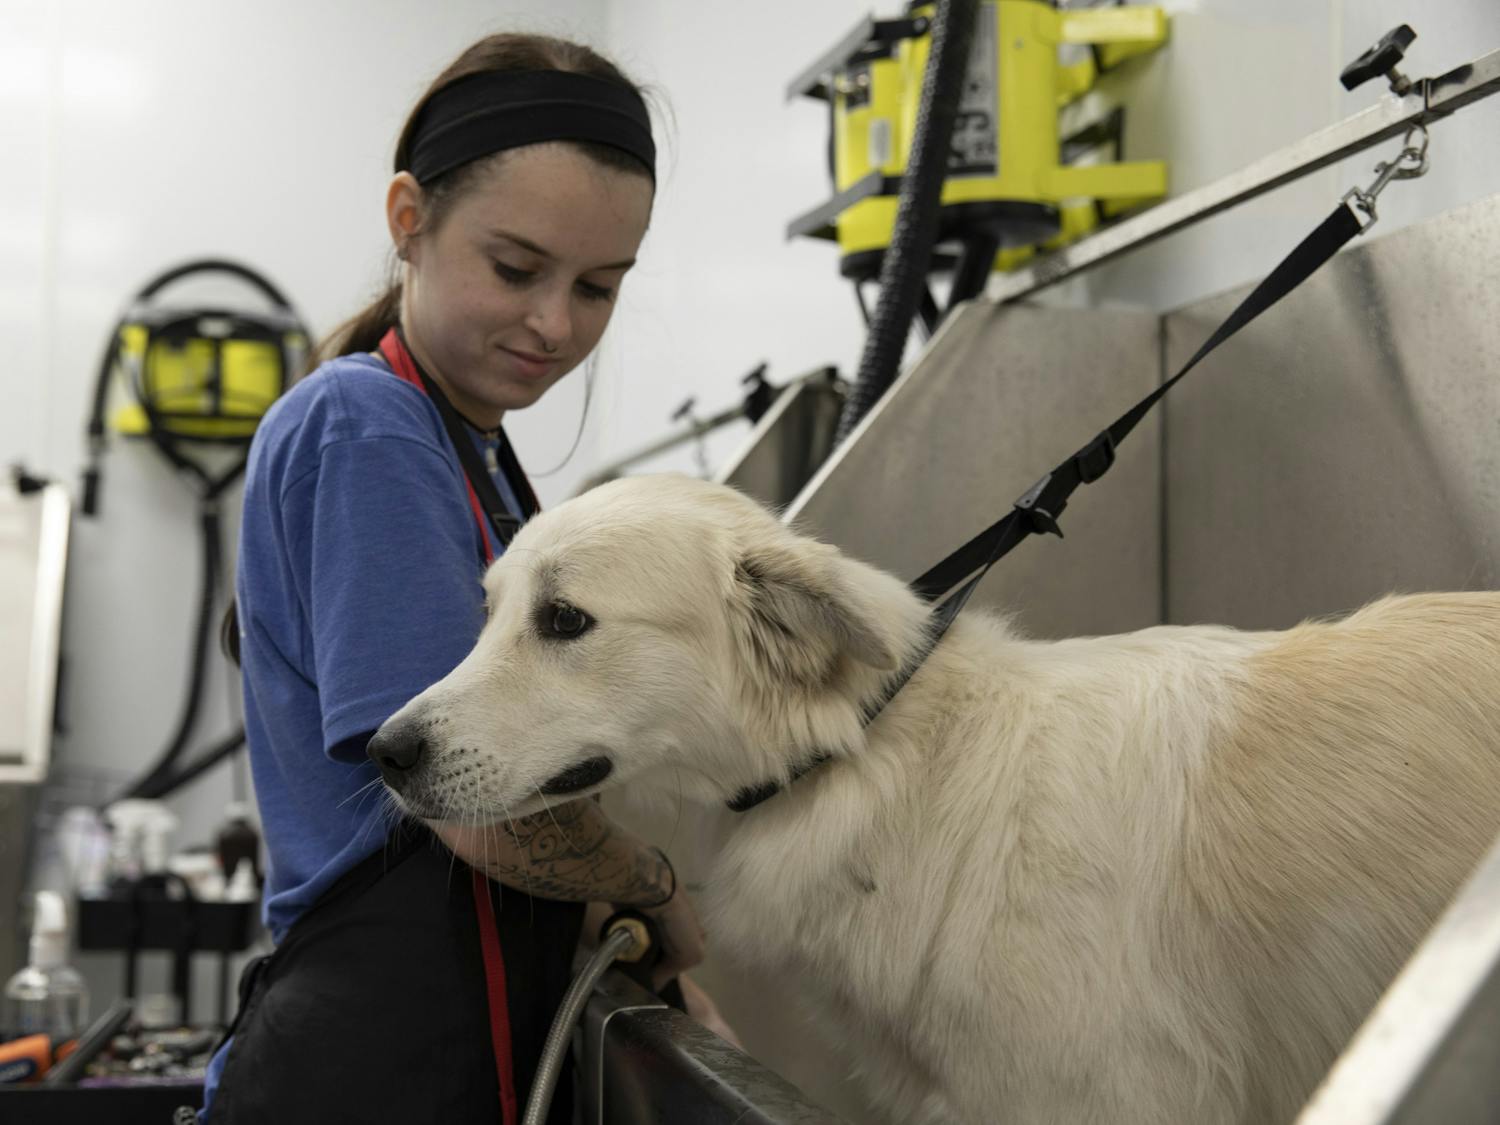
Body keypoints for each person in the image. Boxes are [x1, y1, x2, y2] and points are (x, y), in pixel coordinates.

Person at [202, 32, 714, 1124]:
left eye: (599, 288)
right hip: (370, 1052)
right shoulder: (366, 423)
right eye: (517, 269)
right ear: (410, 220)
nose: (555, 325)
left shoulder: (473, 450)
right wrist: (658, 889)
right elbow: (482, 809)